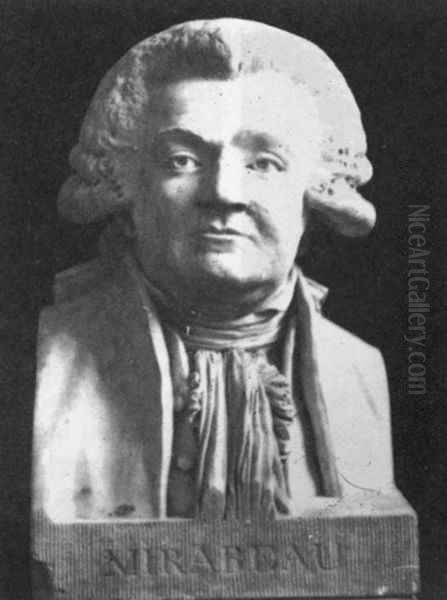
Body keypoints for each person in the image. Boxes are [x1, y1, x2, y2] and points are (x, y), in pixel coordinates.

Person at [33, 18, 396, 522]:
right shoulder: (58, 362)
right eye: (182, 160)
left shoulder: (359, 370)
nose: (224, 193)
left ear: (314, 196)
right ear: (126, 191)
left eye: (263, 163)